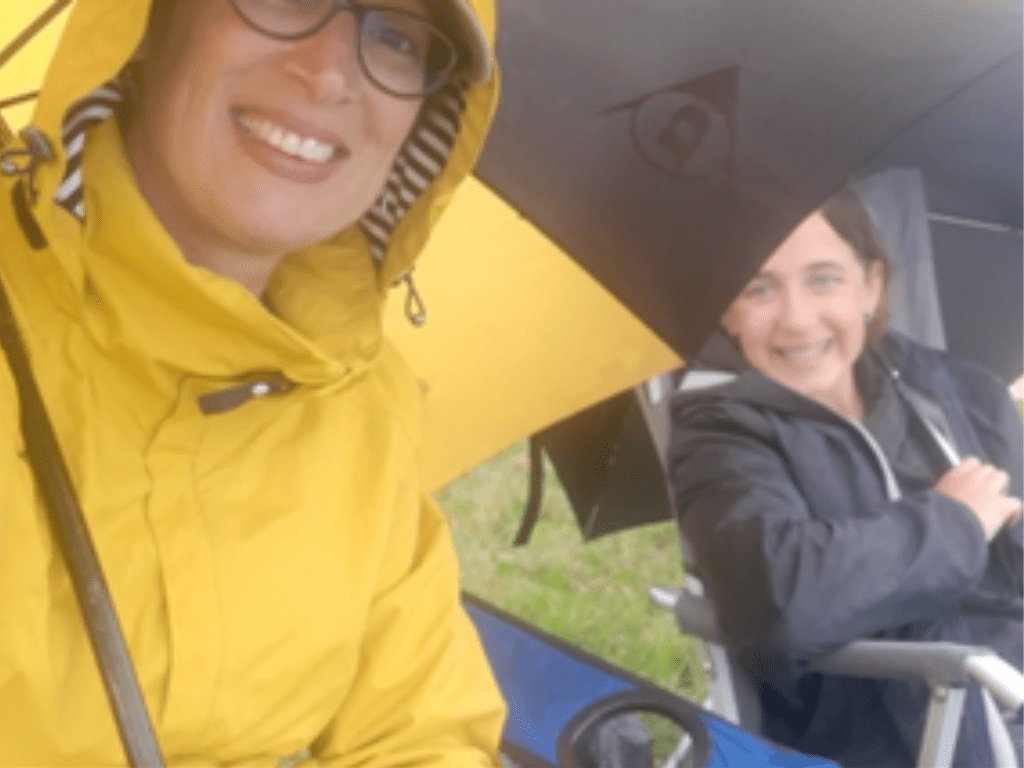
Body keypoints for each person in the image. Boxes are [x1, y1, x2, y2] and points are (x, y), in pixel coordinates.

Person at [0, 0, 504, 765]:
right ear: (150, 22)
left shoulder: (360, 402)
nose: (331, 72)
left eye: (397, 35)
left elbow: (423, 733)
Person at [667, 187, 1023, 768]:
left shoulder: (962, 391)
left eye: (824, 279)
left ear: (871, 286)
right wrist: (953, 521)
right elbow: (782, 603)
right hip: (894, 734)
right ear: (726, 310)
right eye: (758, 288)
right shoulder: (718, 436)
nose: (798, 319)